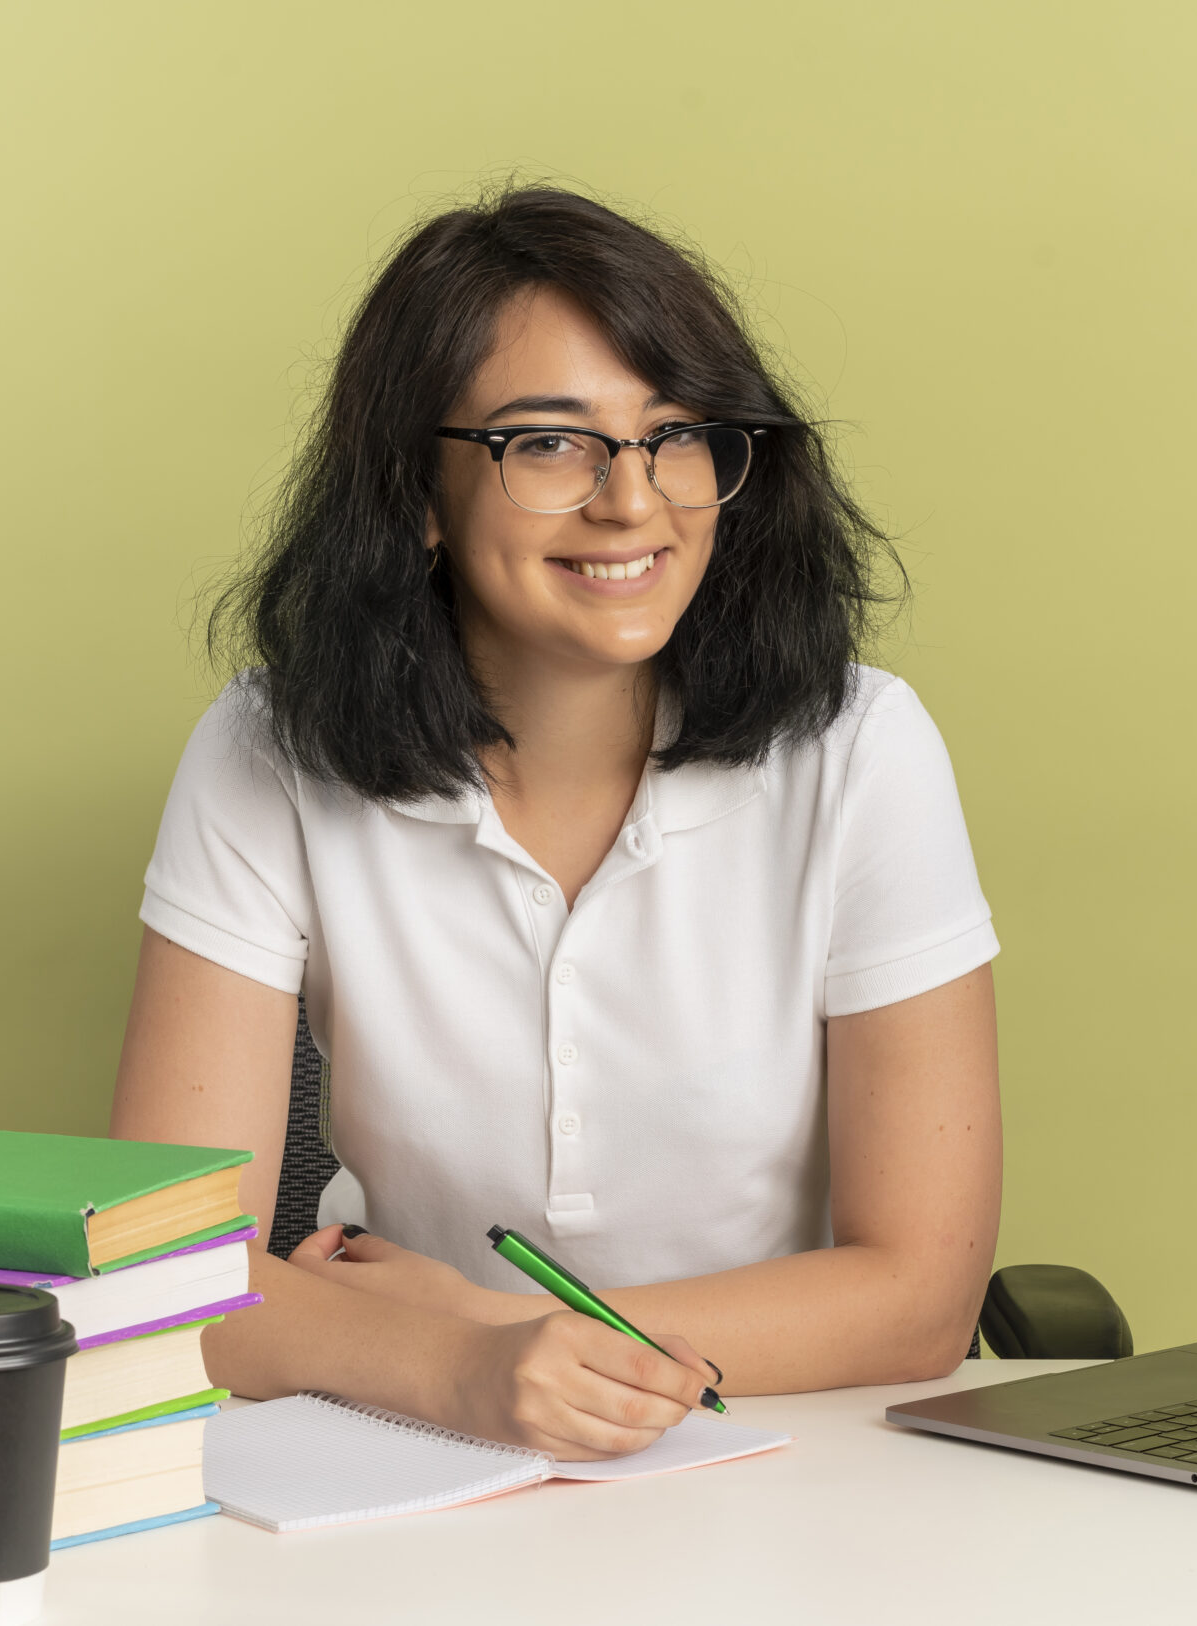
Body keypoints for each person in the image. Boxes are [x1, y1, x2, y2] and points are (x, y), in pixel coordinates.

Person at [110, 187, 999, 1460]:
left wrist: (486, 1335)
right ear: (417, 492)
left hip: (793, 1454)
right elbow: (160, 1278)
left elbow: (919, 1299)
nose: (632, 501)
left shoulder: (861, 748)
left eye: (675, 434)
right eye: (548, 444)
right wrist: (455, 1367)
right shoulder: (268, 751)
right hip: (411, 1454)